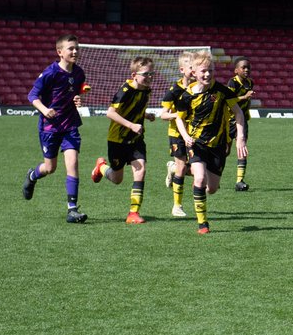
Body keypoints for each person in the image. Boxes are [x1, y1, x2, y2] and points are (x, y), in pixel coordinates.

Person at [173, 51, 248, 234]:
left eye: (210, 71)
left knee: (212, 188)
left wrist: (240, 138)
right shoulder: (186, 95)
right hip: (196, 144)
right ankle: (203, 224)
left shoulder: (223, 91)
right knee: (199, 178)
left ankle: (177, 171)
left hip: (218, 146)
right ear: (194, 73)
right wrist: (185, 136)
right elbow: (179, 119)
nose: (207, 74)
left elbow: (238, 113)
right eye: (203, 71)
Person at [22, 34, 89, 223]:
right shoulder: (50, 73)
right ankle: (32, 175)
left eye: (77, 48)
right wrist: (45, 109)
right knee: (50, 168)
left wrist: (77, 99)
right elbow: (32, 96)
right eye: (71, 48)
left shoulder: (79, 73)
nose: (75, 51)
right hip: (50, 126)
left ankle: (72, 209)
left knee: (73, 162)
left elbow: (74, 93)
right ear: (60, 52)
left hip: (70, 125)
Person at [91, 56, 157, 224]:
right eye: (146, 74)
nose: (149, 77)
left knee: (140, 170)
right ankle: (101, 167)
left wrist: (145, 115)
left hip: (135, 139)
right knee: (116, 179)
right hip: (117, 139)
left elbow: (135, 109)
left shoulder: (146, 89)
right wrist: (131, 125)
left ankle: (133, 213)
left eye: (152, 74)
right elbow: (110, 113)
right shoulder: (125, 90)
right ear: (134, 74)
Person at [159, 50, 196, 217]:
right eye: (191, 67)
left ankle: (172, 168)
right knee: (182, 168)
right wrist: (178, 115)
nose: (194, 70)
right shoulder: (174, 90)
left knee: (197, 170)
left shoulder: (199, 88)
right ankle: (177, 206)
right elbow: (163, 114)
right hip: (177, 133)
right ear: (182, 70)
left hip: (195, 132)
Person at [225, 56, 255, 192]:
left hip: (241, 121)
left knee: (242, 150)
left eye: (248, 67)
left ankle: (239, 180)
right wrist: (244, 97)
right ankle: (212, 176)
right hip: (228, 120)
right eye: (244, 67)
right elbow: (229, 100)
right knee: (224, 151)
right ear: (236, 70)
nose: (247, 69)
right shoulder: (232, 83)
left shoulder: (250, 82)